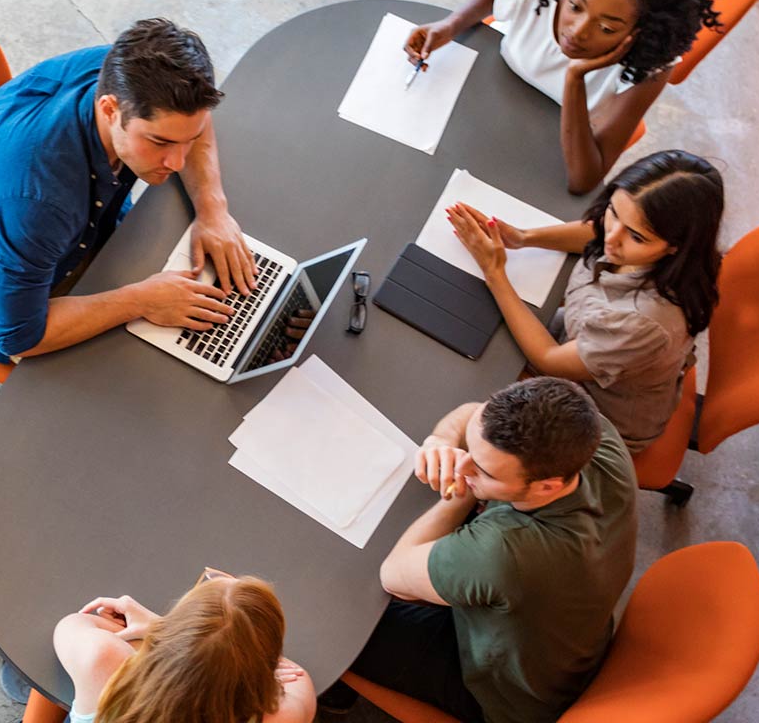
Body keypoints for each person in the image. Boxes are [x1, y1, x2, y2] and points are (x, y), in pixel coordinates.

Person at [0, 18, 258, 368]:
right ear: (110, 109)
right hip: (0, 295)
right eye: (160, 142)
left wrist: (212, 210)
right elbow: (18, 335)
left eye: (189, 140)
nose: (176, 161)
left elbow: (190, 122)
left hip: (70, 227)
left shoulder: (129, 76)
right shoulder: (38, 204)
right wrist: (142, 300)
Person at [319, 378, 636, 723]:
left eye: (483, 470)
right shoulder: (593, 437)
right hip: (559, 646)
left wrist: (462, 487)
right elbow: (472, 413)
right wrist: (439, 441)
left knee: (332, 618)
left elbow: (394, 575)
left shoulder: (505, 551)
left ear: (547, 486)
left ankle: (335, 685)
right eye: (470, 448)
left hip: (501, 693)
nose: (466, 464)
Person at [404, 0, 724, 193]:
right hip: (481, 100)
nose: (579, 31)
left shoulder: (647, 70)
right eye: (575, 6)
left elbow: (583, 181)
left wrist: (575, 78)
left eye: (606, 27)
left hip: (540, 147)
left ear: (640, 32)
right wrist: (451, 24)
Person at [446, 150, 723, 452]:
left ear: (676, 247)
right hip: (578, 342)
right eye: (614, 212)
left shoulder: (643, 321)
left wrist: (494, 273)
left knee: (461, 405)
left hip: (596, 419)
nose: (611, 238)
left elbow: (550, 361)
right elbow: (596, 232)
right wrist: (524, 237)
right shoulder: (636, 241)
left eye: (636, 236)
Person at [54, 569, 317, 723]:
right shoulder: (283, 714)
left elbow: (72, 624)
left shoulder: (104, 659)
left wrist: (162, 630)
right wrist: (260, 673)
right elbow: (295, 674)